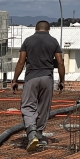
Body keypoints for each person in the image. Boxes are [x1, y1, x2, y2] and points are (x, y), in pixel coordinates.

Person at [10, 20, 66, 152]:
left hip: (31, 78)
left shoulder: (28, 41)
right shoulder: (53, 41)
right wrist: (62, 81)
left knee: (28, 106)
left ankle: (32, 135)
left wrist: (15, 80)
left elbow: (21, 62)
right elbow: (60, 63)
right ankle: (39, 135)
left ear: (35, 29)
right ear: (48, 29)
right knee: (43, 108)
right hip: (47, 78)